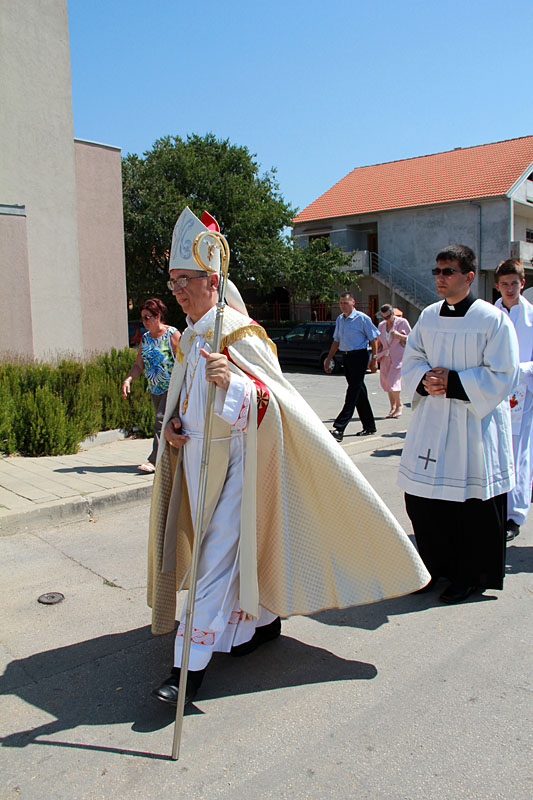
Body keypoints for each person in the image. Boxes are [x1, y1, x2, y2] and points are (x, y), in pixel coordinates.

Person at [147, 207, 430, 706]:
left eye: (185, 280)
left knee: (215, 563)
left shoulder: (237, 333)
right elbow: (185, 404)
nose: (177, 290)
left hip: (238, 471)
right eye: (172, 282)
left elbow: (273, 403)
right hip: (197, 467)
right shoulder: (192, 338)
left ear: (213, 280)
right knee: (231, 563)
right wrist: (174, 426)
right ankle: (259, 625)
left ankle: (185, 672)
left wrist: (234, 385)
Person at [397, 244, 519, 605]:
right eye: (436, 271)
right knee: (423, 501)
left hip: (472, 425)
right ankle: (434, 568)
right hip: (433, 422)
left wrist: (454, 382)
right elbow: (412, 356)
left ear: (468, 277)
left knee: (470, 504)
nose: (440, 278)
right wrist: (424, 379)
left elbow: (503, 373)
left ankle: (470, 576)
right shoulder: (430, 316)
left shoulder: (491, 319)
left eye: (447, 271)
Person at [494, 258, 533, 541]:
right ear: (497, 286)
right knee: (494, 452)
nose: (509, 289)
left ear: (523, 283)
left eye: (514, 283)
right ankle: (495, 507)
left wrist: (519, 370)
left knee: (519, 453)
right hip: (492, 391)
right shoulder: (487, 315)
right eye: (504, 284)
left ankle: (515, 514)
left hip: (522, 392)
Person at [121, 298, 180, 473]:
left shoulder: (172, 335)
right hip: (155, 389)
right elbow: (139, 364)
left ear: (158, 316)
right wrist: (128, 379)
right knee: (172, 423)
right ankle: (175, 459)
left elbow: (183, 362)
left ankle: (154, 461)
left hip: (172, 387)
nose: (145, 322)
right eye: (143, 318)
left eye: (148, 317)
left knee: (161, 421)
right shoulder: (145, 339)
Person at [324, 293, 379, 442]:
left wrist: (374, 359)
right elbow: (336, 340)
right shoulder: (340, 319)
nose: (343, 305)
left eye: (346, 302)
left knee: (352, 392)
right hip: (346, 357)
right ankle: (369, 426)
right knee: (359, 392)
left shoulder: (362, 318)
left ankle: (339, 427)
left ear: (353, 302)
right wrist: (329, 358)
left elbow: (374, 338)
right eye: (341, 303)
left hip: (359, 356)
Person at [376, 303, 411, 418]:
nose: (387, 319)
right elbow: (379, 342)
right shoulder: (381, 326)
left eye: (389, 316)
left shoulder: (402, 322)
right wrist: (376, 357)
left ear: (393, 313)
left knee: (393, 381)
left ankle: (399, 405)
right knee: (386, 382)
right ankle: (392, 407)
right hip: (385, 356)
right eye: (384, 317)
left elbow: (412, 338)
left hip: (398, 357)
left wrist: (399, 336)